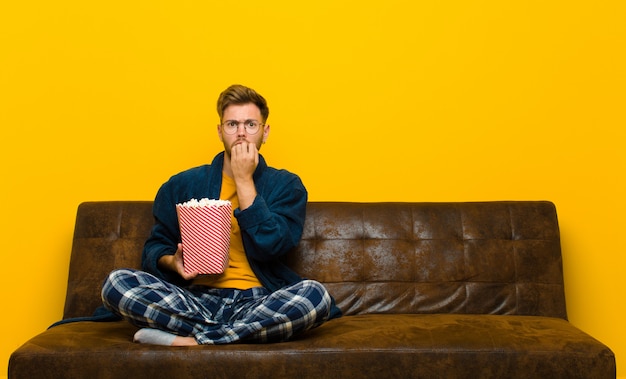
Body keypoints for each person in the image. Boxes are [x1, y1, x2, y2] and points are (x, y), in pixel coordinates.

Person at [101, 84, 341, 346]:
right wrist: (174, 263)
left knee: (315, 297)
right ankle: (230, 335)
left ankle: (191, 341)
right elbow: (155, 247)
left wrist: (244, 179)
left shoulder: (286, 185)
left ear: (265, 132)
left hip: (258, 301)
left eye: (250, 124)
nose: (241, 133)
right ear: (219, 131)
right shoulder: (182, 185)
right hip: (193, 300)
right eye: (232, 124)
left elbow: (272, 246)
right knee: (116, 283)